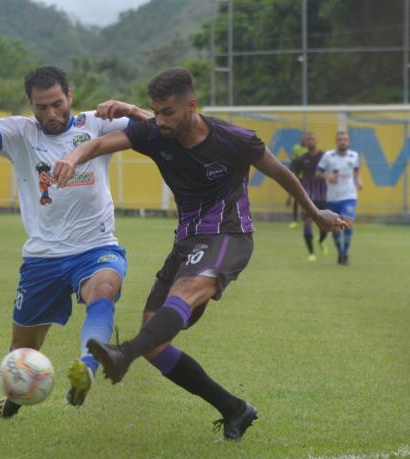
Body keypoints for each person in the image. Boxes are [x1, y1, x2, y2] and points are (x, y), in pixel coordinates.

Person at [53, 67, 346, 440]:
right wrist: (74, 156)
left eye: (168, 112)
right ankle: (235, 409)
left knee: (185, 293)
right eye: (155, 111)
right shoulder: (156, 132)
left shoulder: (235, 139)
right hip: (186, 242)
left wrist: (315, 213)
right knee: (155, 341)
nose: (160, 120)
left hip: (229, 234)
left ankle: (122, 355)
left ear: (192, 105)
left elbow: (280, 172)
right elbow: (97, 145)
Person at [0, 63, 152, 418]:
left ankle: (88, 367)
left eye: (57, 104)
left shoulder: (93, 123)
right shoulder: (20, 133)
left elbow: (161, 128)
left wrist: (129, 109)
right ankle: (16, 398)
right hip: (43, 257)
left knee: (105, 287)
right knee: (22, 350)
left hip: (95, 247)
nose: (51, 113)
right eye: (41, 107)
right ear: (30, 106)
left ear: (70, 96)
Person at [316, 131, 362, 266]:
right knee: (335, 226)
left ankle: (344, 253)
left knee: (347, 223)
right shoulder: (328, 156)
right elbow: (318, 173)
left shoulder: (354, 155)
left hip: (349, 196)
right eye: (340, 139)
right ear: (337, 141)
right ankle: (340, 252)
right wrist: (328, 177)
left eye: (345, 139)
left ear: (349, 142)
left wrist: (359, 180)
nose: (343, 141)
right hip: (332, 197)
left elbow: (357, 170)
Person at [294, 132, 328, 261]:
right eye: (308, 140)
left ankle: (321, 240)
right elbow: (296, 177)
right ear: (305, 143)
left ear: (317, 140)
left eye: (312, 139)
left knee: (324, 224)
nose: (310, 142)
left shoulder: (325, 156)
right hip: (308, 196)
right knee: (307, 223)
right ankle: (311, 253)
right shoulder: (301, 159)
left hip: (323, 195)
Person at [286, 131, 308, 228]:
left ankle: (306, 220)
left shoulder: (309, 150)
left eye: (306, 138)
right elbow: (293, 162)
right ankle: (295, 220)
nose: (304, 139)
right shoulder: (296, 148)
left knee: (307, 199)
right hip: (298, 177)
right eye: (302, 138)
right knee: (296, 198)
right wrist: (291, 172)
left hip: (307, 178)